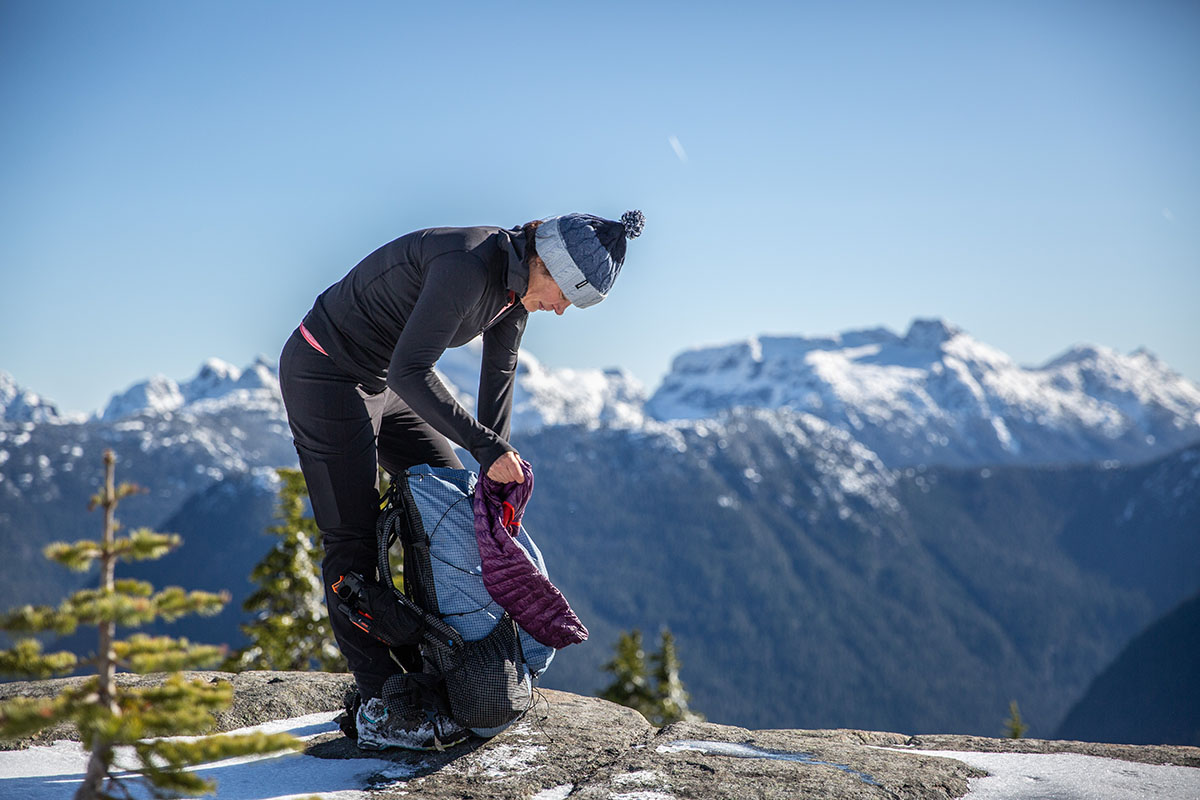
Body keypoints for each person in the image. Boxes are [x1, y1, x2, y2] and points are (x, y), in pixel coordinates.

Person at [278, 210, 644, 749]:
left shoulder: (517, 293)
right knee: (350, 537)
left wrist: (491, 478)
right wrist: (486, 447)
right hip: (325, 371)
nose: (562, 308)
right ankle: (381, 705)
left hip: (384, 379)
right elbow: (412, 370)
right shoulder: (466, 265)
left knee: (452, 507)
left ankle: (439, 668)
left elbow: (499, 377)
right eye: (566, 292)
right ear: (543, 259)